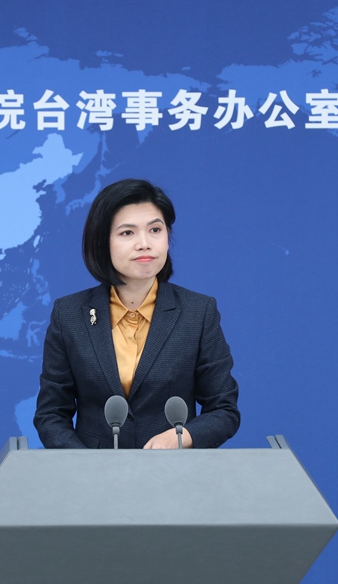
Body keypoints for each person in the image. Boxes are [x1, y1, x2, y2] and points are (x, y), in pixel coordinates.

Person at [34, 178, 240, 449]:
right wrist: (85, 464)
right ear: (102, 242)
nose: (144, 243)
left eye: (155, 230)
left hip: (174, 469)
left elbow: (224, 410)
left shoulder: (198, 312)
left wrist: (181, 438)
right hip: (93, 472)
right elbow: (51, 414)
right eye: (127, 233)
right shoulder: (69, 315)